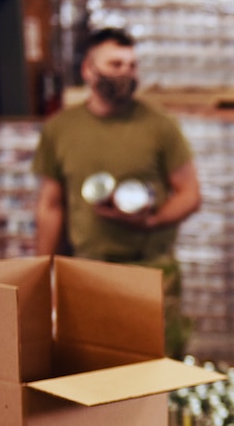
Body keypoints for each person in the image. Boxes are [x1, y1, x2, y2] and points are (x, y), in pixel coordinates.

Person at [32, 27, 201, 359]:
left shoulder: (159, 124)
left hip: (151, 272)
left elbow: (190, 194)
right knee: (94, 374)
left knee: (155, 376)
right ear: (88, 70)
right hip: (88, 273)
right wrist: (41, 272)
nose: (126, 73)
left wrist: (150, 221)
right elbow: (50, 207)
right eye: (116, 64)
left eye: (132, 65)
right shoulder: (61, 129)